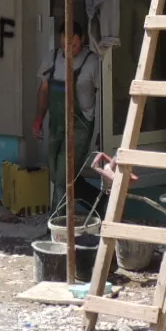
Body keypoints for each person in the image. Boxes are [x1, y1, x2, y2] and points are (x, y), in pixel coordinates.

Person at [33, 20, 101, 208]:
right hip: (56, 125)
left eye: (74, 45)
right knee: (57, 175)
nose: (69, 49)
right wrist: (39, 119)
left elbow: (104, 96)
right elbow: (44, 91)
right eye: (64, 44)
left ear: (82, 39)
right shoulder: (52, 58)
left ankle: (57, 220)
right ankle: (100, 202)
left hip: (80, 126)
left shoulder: (92, 61)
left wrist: (101, 130)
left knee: (63, 177)